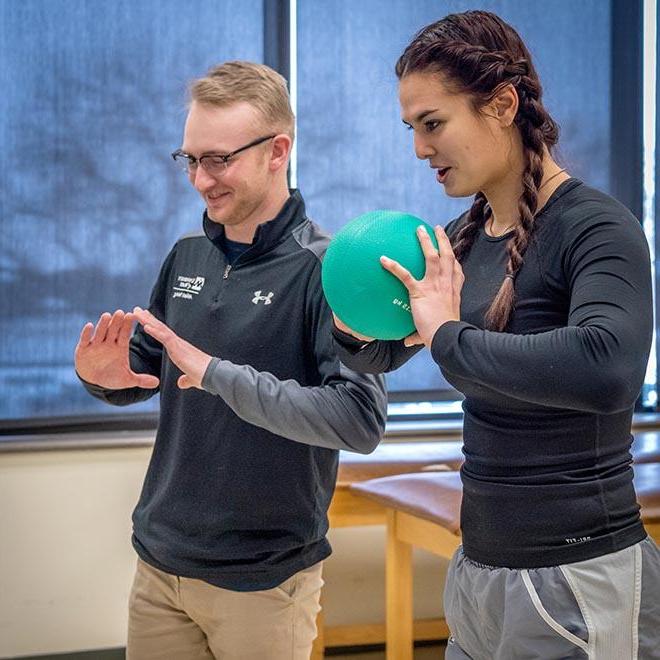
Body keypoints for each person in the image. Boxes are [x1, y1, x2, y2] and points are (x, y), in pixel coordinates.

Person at [332, 10, 660, 660]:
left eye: (433, 124)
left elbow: (608, 365)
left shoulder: (596, 228)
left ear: (502, 104)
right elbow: (391, 345)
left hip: (577, 574)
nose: (419, 149)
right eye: (411, 128)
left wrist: (448, 335)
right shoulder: (462, 238)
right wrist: (348, 325)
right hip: (480, 570)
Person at [74, 61, 387, 660]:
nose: (199, 179)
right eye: (189, 159)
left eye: (218, 160)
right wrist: (103, 380)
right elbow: (148, 367)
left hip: (264, 579)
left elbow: (358, 420)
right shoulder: (186, 255)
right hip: (161, 562)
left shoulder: (328, 269)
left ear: (278, 151)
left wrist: (219, 376)